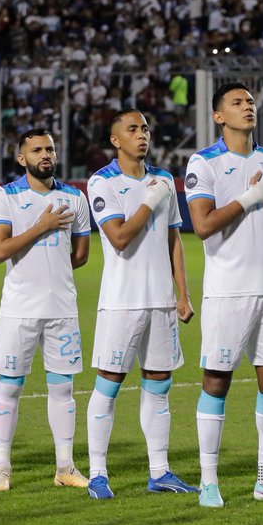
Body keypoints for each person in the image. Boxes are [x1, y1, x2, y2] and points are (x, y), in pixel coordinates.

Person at [184, 82, 263, 509]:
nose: (247, 107)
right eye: (237, 103)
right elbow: (202, 225)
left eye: (250, 102)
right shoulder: (204, 162)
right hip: (227, 292)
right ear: (219, 116)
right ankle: (208, 481)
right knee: (216, 380)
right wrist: (249, 195)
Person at [84, 109, 197, 500]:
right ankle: (98, 473)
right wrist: (149, 200)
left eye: (145, 128)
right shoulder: (102, 182)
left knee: (159, 387)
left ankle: (159, 470)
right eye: (132, 129)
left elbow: (173, 241)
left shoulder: (163, 179)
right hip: (121, 303)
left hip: (161, 303)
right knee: (109, 385)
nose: (142, 134)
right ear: (116, 140)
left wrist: (182, 293)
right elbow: (118, 237)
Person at [0, 128, 91, 492]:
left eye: (49, 149)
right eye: (36, 150)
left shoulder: (75, 197)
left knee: (63, 389)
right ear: (21, 158)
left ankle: (65, 466)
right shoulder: (4, 198)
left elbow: (80, 254)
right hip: (19, 311)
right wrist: (42, 226)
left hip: (62, 308)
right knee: (9, 389)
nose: (45, 154)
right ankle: (2, 468)